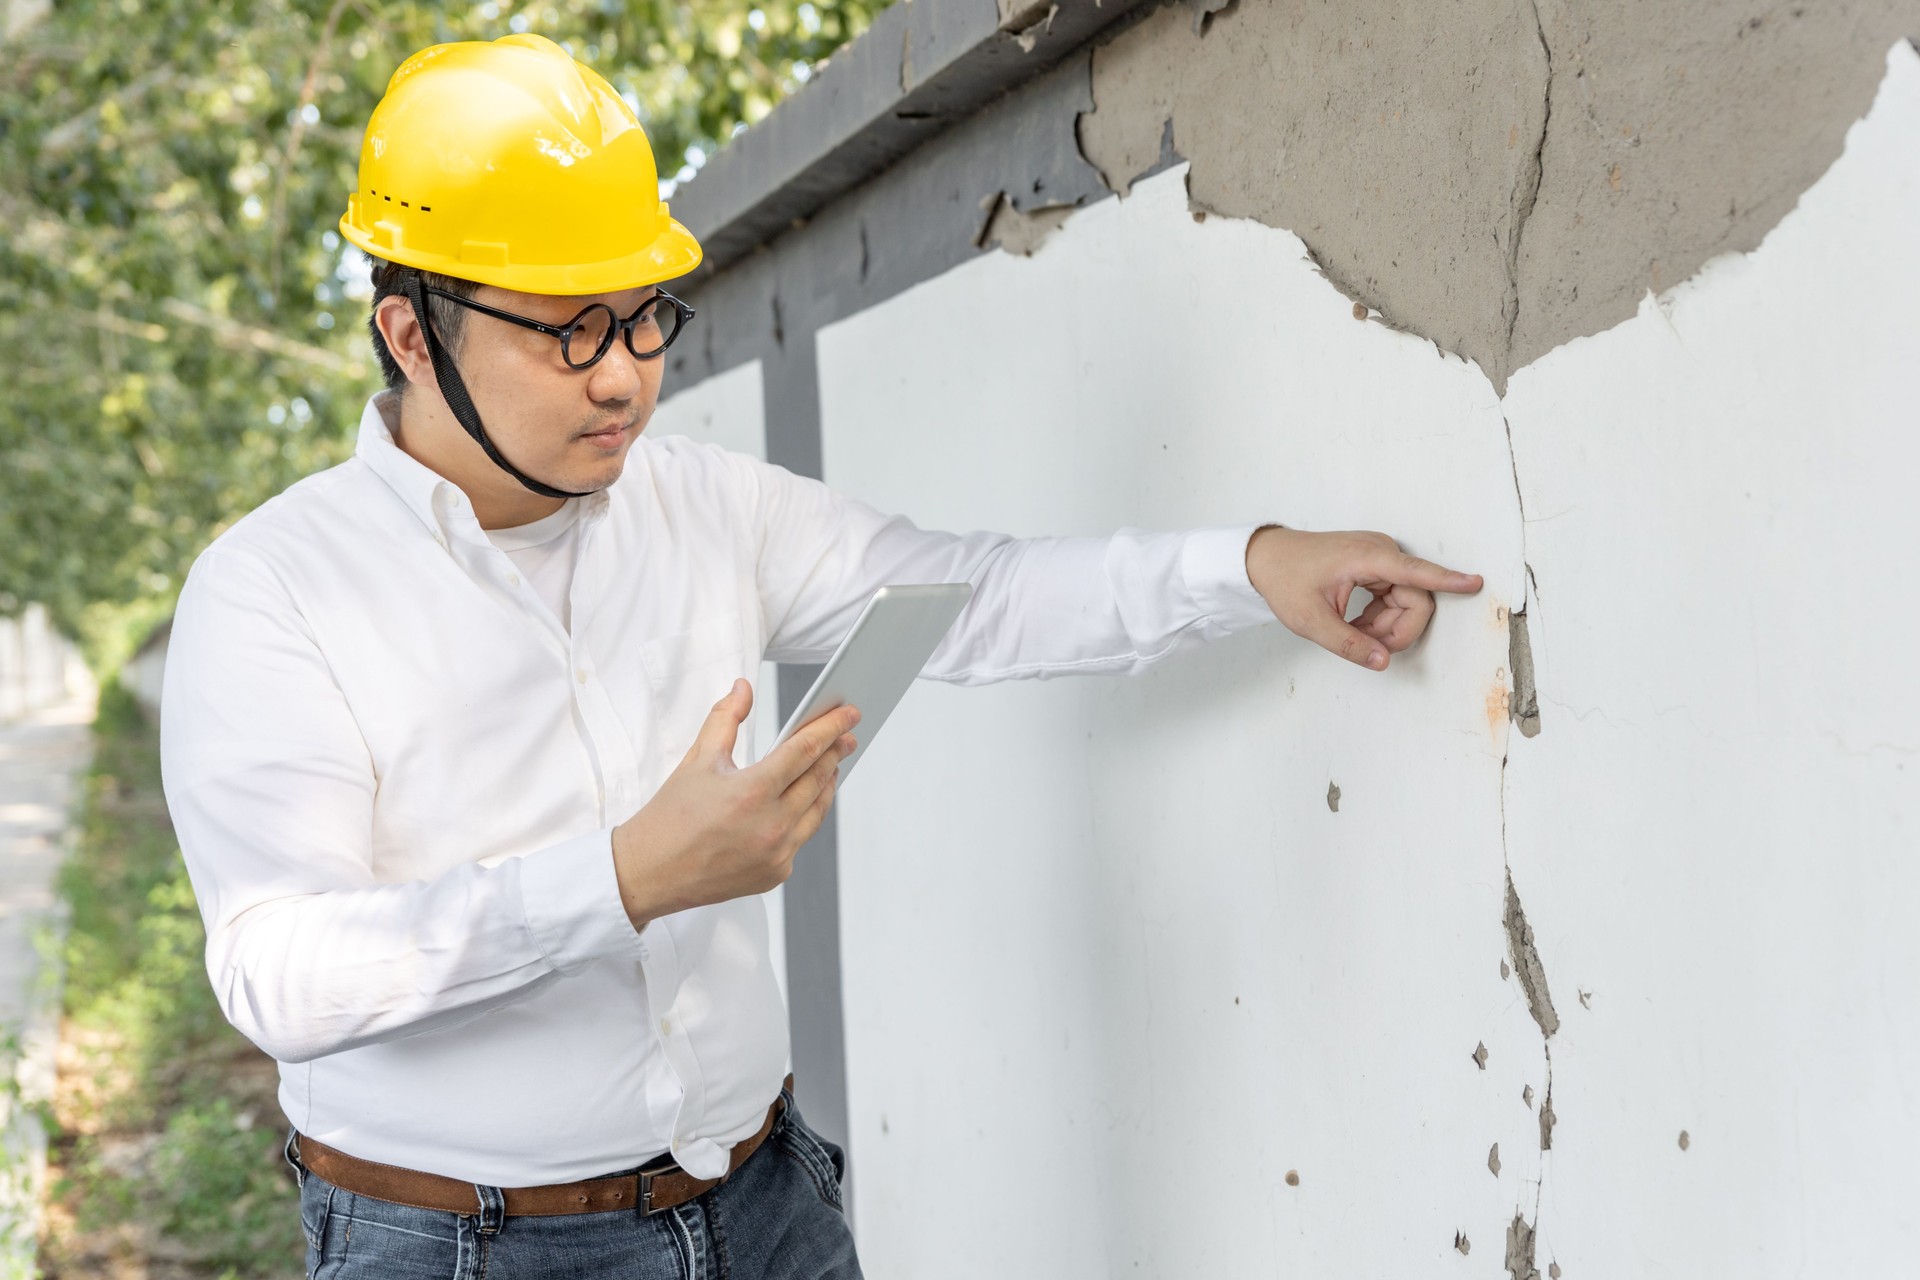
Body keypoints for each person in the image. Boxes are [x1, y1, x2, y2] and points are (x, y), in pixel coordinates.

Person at [158, 32, 1484, 1280]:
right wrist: (625, 878)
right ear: (409, 331)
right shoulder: (273, 593)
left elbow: (970, 602)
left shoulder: (709, 512)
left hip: (767, 1206)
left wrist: (1252, 568)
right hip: (466, 1245)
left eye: (640, 318)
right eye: (567, 328)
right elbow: (283, 974)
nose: (622, 377)